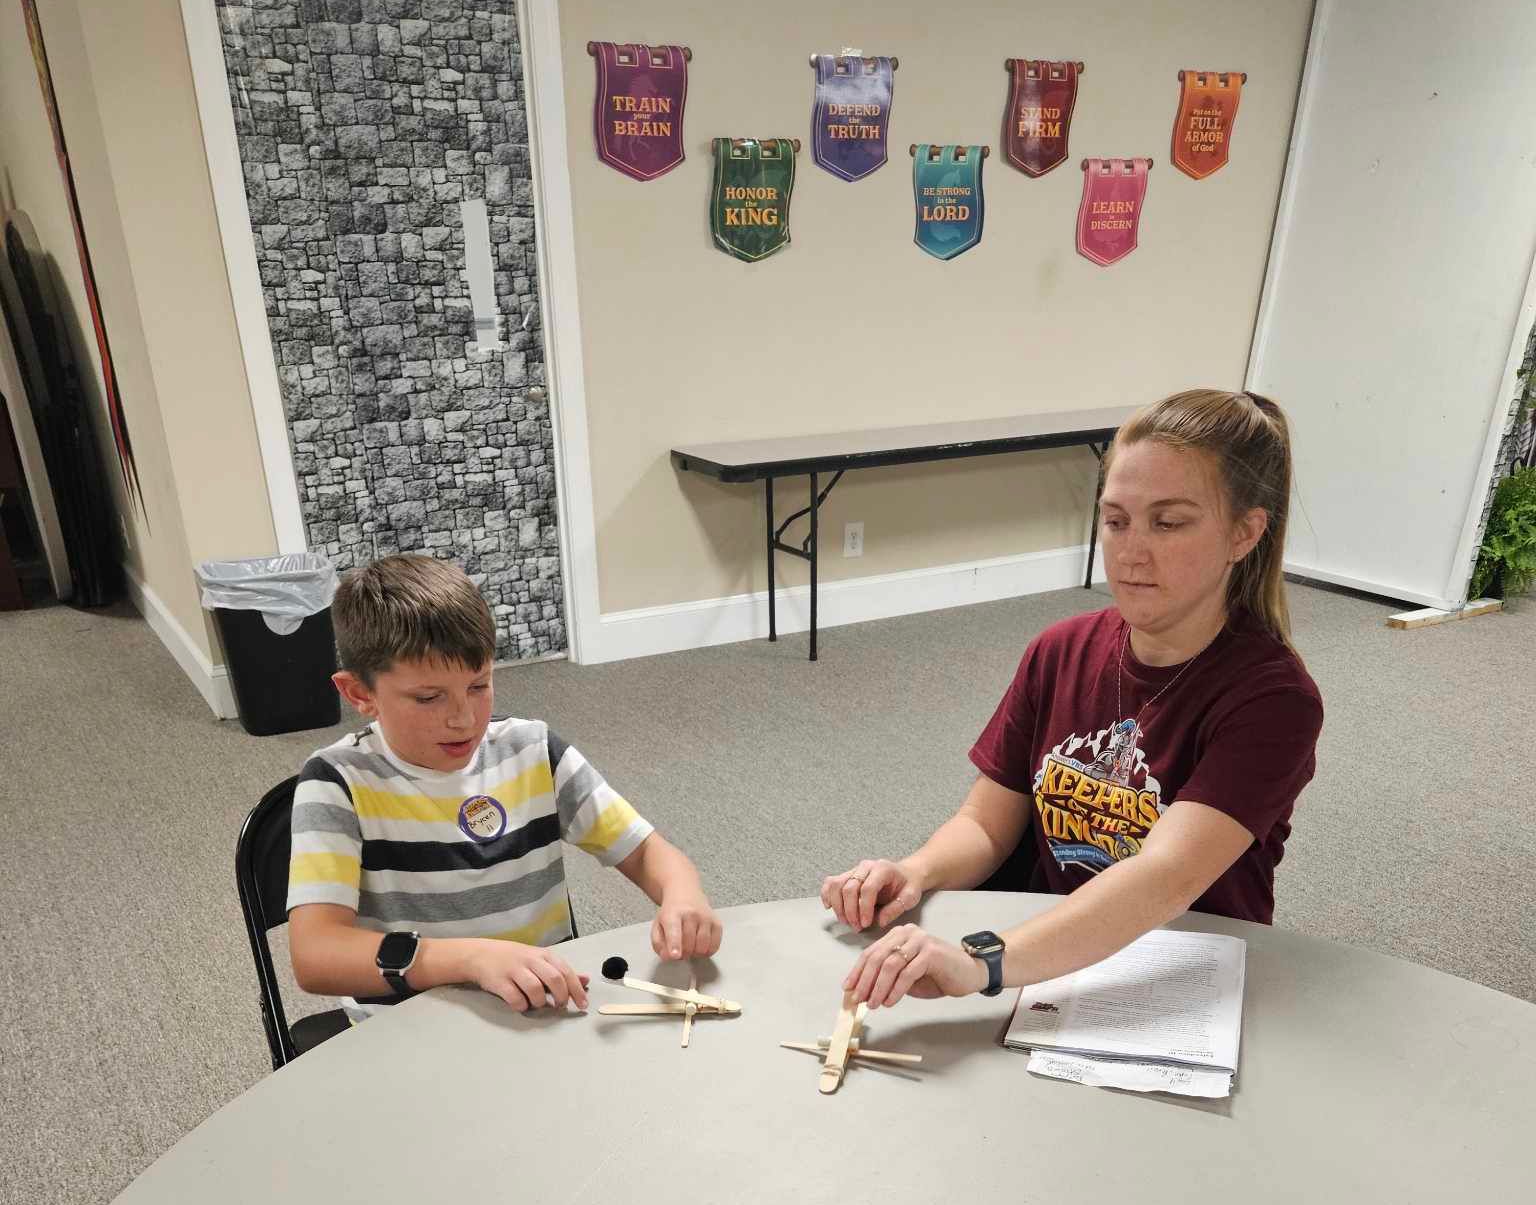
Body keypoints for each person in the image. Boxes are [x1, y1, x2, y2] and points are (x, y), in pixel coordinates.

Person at [822, 389, 1324, 1009]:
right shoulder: (1061, 649)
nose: (1132, 551)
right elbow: (985, 823)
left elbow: (1163, 879)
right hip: (1048, 950)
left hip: (1174, 968)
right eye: (1116, 520)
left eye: (1168, 523)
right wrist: (916, 871)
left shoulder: (1274, 700)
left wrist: (983, 960)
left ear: (1244, 534)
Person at [288, 555, 721, 1016]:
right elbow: (315, 955)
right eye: (428, 697)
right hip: (413, 1024)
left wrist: (682, 894)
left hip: (542, 1006)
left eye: (479, 685)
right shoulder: (336, 783)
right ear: (359, 694)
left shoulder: (531, 749)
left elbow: (646, 851)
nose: (463, 718)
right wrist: (470, 959)